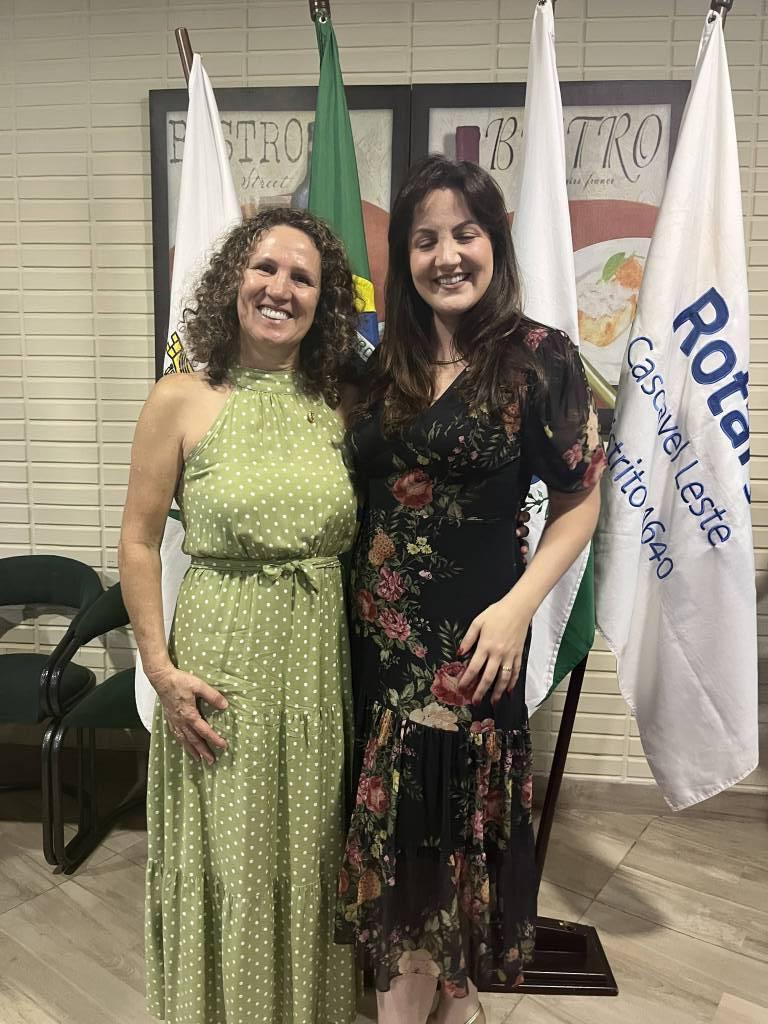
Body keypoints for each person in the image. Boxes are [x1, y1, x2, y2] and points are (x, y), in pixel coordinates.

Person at [335, 155, 607, 1024]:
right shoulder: (379, 366)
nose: (446, 255)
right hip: (375, 654)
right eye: (425, 240)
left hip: (471, 650)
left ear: (495, 243)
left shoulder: (538, 359)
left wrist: (521, 609)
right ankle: (447, 1005)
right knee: (406, 855)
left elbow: (580, 500)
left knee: (443, 851)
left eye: (465, 234)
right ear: (404, 258)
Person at [119, 207, 363, 1024]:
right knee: (229, 853)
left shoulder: (339, 404)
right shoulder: (180, 398)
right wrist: (159, 669)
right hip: (222, 663)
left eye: (302, 277)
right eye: (265, 268)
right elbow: (138, 542)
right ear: (233, 281)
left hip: (317, 668)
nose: (280, 288)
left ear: (323, 302)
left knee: (307, 851)